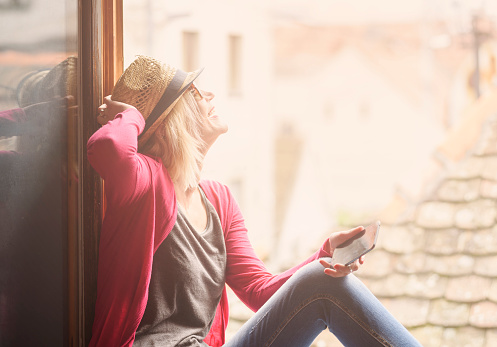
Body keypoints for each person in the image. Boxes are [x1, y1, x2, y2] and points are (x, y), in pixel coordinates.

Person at [87, 55, 422, 347]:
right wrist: (130, 116)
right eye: (193, 92)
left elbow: (260, 290)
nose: (209, 94)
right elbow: (109, 149)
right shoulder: (146, 183)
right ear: (166, 124)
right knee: (322, 287)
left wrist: (323, 256)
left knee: (325, 284)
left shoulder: (218, 199)